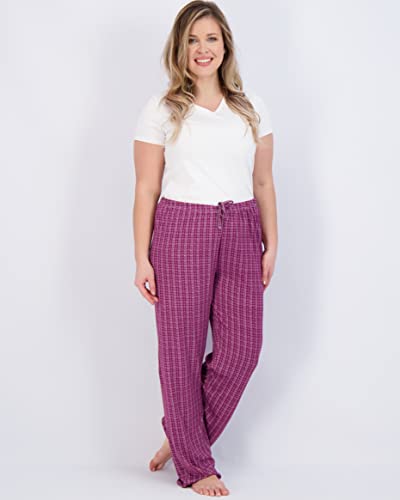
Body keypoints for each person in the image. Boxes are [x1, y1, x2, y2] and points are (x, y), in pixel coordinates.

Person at [132, 1, 277, 496]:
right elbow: (146, 188)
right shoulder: (161, 109)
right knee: (180, 350)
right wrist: (141, 257)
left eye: (211, 38)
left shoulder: (250, 107)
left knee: (242, 350)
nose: (202, 49)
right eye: (192, 39)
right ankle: (195, 465)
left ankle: (181, 435)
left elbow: (263, 181)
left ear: (225, 45)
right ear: (180, 47)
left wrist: (271, 242)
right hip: (180, 227)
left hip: (242, 226)